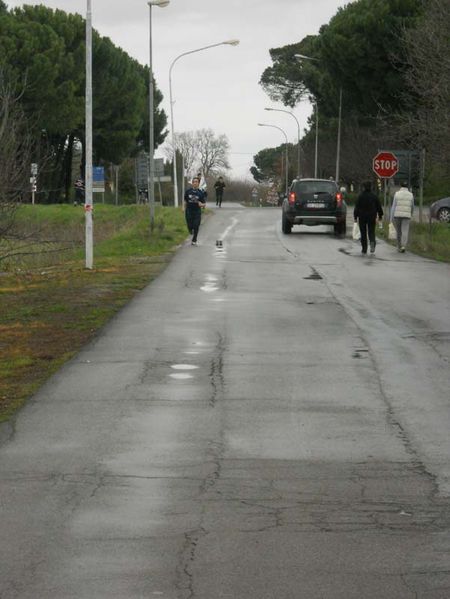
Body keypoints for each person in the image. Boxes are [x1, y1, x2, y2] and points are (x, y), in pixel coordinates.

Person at [354, 181, 383, 255]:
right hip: (372, 216)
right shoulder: (374, 196)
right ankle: (372, 244)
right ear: (371, 187)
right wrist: (380, 215)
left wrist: (355, 217)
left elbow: (357, 207)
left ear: (363, 187)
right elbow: (379, 207)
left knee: (363, 233)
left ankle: (364, 249)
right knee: (371, 231)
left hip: (362, 217)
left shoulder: (360, 196)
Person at [391, 181, 414, 252]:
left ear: (400, 186)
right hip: (407, 216)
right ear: (407, 187)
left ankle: (399, 246)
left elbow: (394, 206)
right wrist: (411, 213)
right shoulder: (411, 195)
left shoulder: (397, 194)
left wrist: (392, 216)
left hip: (397, 215)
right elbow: (412, 206)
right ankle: (403, 246)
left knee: (398, 231)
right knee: (405, 231)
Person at [184, 177, 206, 245]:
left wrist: (201, 204)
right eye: (194, 182)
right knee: (190, 225)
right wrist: (183, 208)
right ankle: (190, 230)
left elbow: (204, 204)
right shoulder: (188, 191)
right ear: (192, 183)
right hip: (189, 211)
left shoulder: (201, 193)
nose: (195, 183)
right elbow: (185, 201)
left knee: (196, 225)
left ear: (198, 184)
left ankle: (194, 240)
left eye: (196, 182)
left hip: (197, 211)